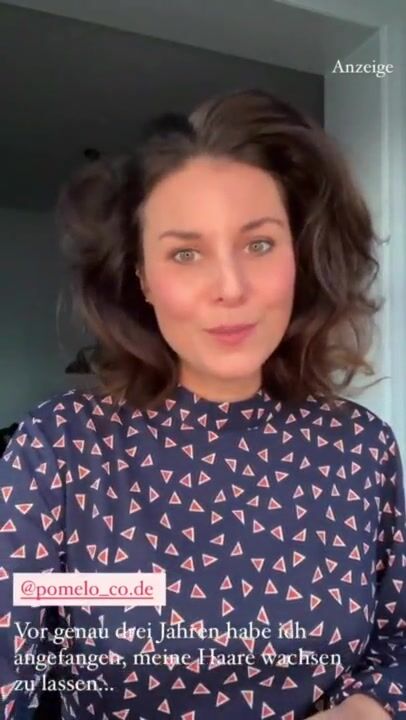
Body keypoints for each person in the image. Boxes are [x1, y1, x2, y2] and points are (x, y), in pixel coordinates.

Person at [0, 88, 405, 720]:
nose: (231, 288)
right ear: (142, 277)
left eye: (259, 244)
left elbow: (396, 640)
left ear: (299, 257)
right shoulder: (63, 447)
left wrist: (366, 708)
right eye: (186, 253)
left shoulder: (361, 448)